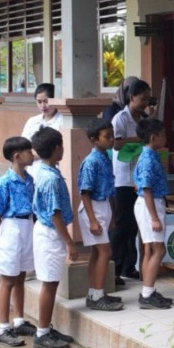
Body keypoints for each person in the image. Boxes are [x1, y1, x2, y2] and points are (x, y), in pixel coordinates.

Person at [30, 126, 77, 348]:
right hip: (50, 233)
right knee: (49, 285)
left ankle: (46, 327)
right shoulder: (49, 178)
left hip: (50, 232)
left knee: (52, 282)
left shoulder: (49, 172)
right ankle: (42, 332)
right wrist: (69, 242)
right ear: (57, 148)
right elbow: (54, 213)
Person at [0, 136, 39, 347]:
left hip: (27, 225)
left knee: (20, 276)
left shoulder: (29, 179)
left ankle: (19, 320)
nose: (32, 154)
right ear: (17, 156)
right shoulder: (5, 181)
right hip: (10, 227)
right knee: (8, 278)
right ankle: (3, 327)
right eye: (28, 151)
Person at [77, 118, 123, 312]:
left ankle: (95, 293)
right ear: (94, 140)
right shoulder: (91, 162)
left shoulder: (105, 157)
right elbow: (85, 192)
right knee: (105, 252)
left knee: (97, 252)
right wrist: (93, 220)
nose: (111, 139)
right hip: (92, 208)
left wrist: (111, 216)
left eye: (112, 135)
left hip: (103, 205)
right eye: (107, 137)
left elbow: (109, 189)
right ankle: (97, 294)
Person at [110, 78, 151, 285]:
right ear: (131, 97)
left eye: (147, 99)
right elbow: (116, 144)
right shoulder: (121, 118)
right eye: (142, 99)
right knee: (122, 225)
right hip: (124, 178)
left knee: (134, 225)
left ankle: (129, 265)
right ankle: (114, 269)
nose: (145, 103)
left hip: (138, 176)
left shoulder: (143, 119)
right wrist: (141, 140)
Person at [133, 118, 173, 310]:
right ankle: (147, 293)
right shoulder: (148, 158)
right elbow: (146, 188)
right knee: (159, 249)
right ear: (153, 137)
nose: (166, 138)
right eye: (163, 135)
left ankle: (148, 289)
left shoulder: (150, 155)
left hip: (149, 203)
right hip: (150, 205)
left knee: (151, 248)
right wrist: (154, 217)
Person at [22, 83, 63, 179]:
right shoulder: (32, 121)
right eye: (39, 102)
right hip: (32, 172)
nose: (43, 105)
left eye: (46, 101)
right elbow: (23, 147)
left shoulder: (62, 121)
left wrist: (33, 153)